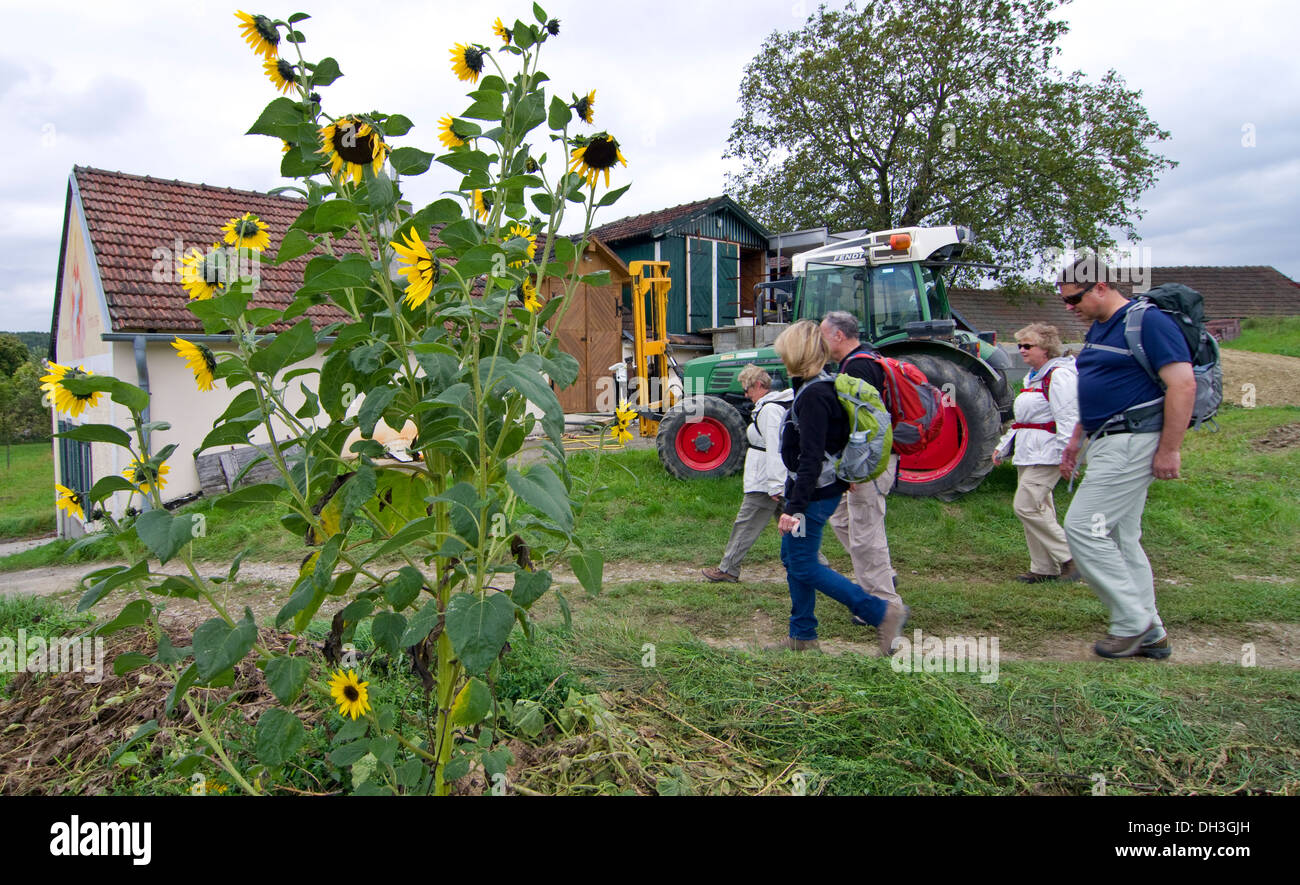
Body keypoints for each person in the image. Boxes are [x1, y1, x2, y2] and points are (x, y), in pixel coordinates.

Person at [1057, 257, 1195, 660]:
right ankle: (1152, 634)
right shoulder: (1101, 327)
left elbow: (1182, 385)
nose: (1070, 308)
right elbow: (1103, 386)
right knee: (1121, 537)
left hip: (1132, 441)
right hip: (1106, 441)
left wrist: (1169, 449)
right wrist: (1076, 440)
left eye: (1074, 299)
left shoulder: (1147, 322)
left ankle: (1133, 622)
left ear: (1100, 286)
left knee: (1082, 527)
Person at [769, 320, 908, 654]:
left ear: (795, 353)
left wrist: (795, 508)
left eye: (784, 351)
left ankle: (881, 613)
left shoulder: (815, 394)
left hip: (812, 495)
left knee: (803, 564)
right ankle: (802, 636)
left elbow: (812, 456)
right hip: (819, 490)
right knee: (792, 558)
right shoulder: (816, 386)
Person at [819, 311, 903, 607]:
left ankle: (884, 603)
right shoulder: (869, 358)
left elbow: (864, 428)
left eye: (822, 334)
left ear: (838, 336)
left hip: (867, 464)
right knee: (841, 517)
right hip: (869, 461)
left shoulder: (857, 369)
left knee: (866, 533)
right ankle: (882, 575)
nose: (820, 341)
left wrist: (855, 471)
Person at [992, 323, 1080, 583]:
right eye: (1020, 345)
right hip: (1029, 452)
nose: (1021, 350)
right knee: (1039, 508)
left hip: (1049, 452)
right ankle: (1044, 568)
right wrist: (1003, 446)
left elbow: (1068, 418)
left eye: (1027, 346)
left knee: (1026, 506)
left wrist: (1068, 455)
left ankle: (1071, 558)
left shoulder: (1059, 376)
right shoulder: (1035, 376)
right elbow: (1023, 419)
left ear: (1046, 348)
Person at [702, 365, 792, 583]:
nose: (745, 395)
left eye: (747, 389)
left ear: (759, 385)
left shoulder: (769, 411)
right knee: (794, 523)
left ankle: (729, 568)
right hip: (773, 479)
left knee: (746, 523)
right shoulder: (770, 407)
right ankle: (816, 564)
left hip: (765, 481)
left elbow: (774, 448)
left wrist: (775, 485)